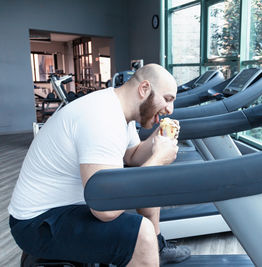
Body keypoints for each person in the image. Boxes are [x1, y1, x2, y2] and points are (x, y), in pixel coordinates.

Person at [8, 64, 191, 266]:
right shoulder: (103, 118)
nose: (170, 109)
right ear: (144, 89)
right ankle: (149, 247)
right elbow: (105, 210)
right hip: (36, 224)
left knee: (147, 177)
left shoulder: (117, 108)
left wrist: (157, 141)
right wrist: (157, 160)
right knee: (142, 234)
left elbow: (132, 155)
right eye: (167, 99)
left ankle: (157, 247)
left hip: (62, 208)